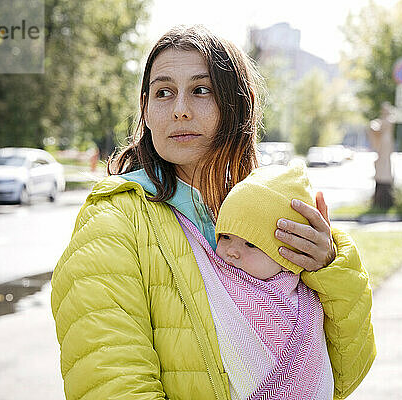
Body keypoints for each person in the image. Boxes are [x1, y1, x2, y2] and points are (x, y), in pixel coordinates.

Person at [51, 25, 375, 400]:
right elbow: (111, 387)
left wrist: (331, 269)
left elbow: (343, 374)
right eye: (163, 92)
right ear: (147, 111)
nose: (180, 110)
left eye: (201, 90)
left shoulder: (272, 213)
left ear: (237, 104)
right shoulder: (113, 223)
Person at [177, 162, 335, 399]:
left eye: (251, 243)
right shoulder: (215, 276)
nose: (231, 251)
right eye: (226, 236)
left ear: (288, 255)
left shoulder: (309, 301)